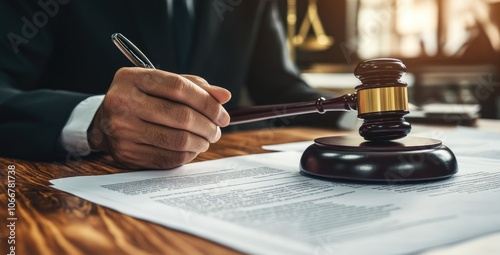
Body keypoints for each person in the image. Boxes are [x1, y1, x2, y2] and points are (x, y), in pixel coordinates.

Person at [0, 0, 341, 169]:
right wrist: (95, 121)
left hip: (210, 180)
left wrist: (359, 109)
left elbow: (282, 91)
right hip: (74, 187)